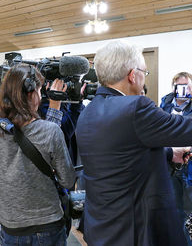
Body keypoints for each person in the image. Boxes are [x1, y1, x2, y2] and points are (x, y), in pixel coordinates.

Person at [75, 40, 192, 246]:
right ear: (132, 74)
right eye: (144, 73)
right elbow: (185, 129)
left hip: (102, 227)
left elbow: (121, 155)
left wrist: (168, 153)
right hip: (136, 230)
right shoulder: (136, 107)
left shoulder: (88, 112)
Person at [0, 64, 76, 245]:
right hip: (48, 226)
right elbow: (67, 181)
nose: (41, 95)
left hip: (11, 228)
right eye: (39, 90)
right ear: (30, 93)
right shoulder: (51, 131)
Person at [160, 72, 192, 244]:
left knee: (189, 213)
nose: (183, 90)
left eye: (187, 85)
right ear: (173, 86)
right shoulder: (165, 103)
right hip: (169, 163)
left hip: (189, 164)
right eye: (179, 86)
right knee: (175, 211)